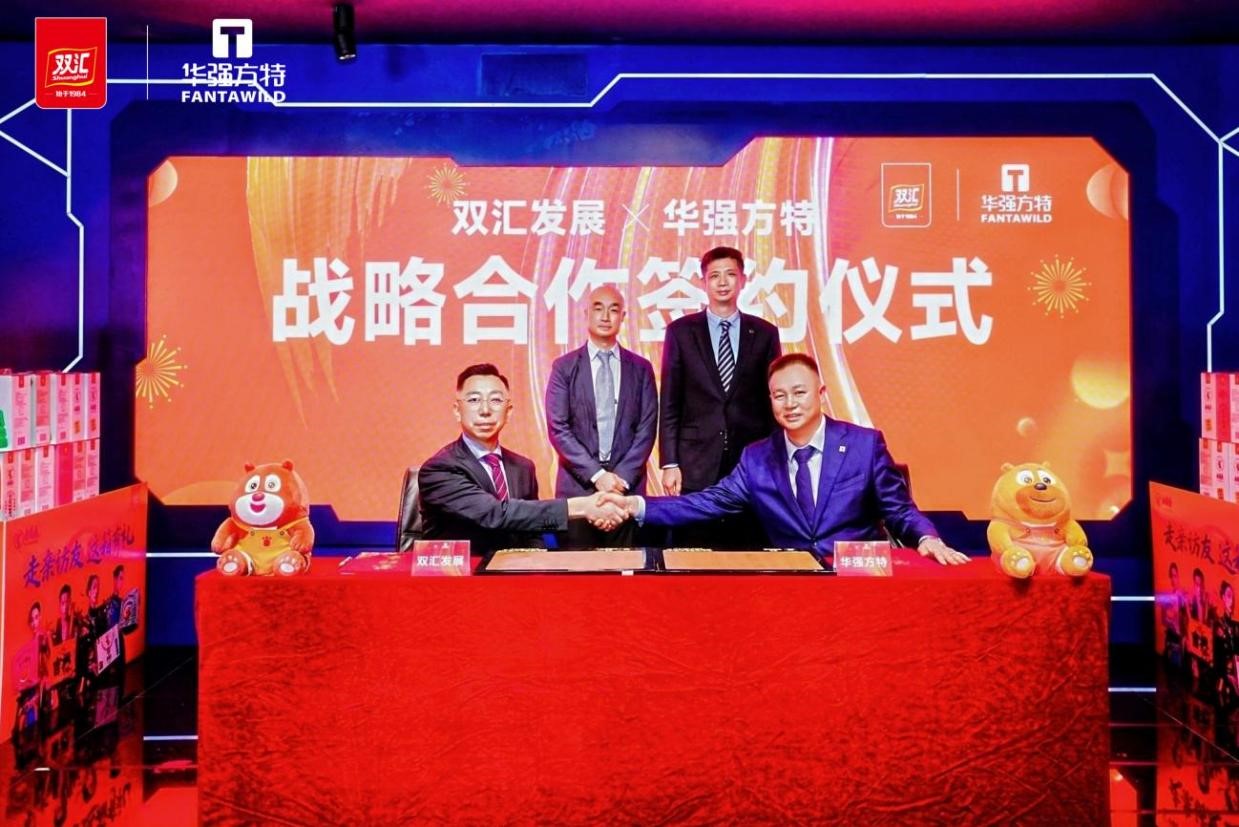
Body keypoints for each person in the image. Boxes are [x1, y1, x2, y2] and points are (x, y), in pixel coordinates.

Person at [607, 353, 968, 565]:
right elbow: (706, 503)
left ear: (821, 394)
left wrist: (926, 538)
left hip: (858, 579)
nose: (790, 404)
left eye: (799, 393)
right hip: (793, 582)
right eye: (779, 396)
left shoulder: (864, 445)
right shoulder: (758, 458)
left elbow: (898, 509)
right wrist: (634, 505)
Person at [418, 363, 625, 558]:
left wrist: (544, 562)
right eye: (474, 400)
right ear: (457, 410)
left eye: (495, 400)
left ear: (508, 411)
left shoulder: (523, 467)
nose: (485, 411)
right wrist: (582, 507)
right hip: (461, 576)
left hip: (515, 573)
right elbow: (495, 514)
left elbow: (534, 529)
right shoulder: (439, 469)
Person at [658, 246, 782, 548]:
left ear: (743, 280)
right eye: (714, 276)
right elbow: (670, 402)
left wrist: (776, 457)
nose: (722, 282)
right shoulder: (681, 332)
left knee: (748, 545)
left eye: (730, 275)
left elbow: (773, 401)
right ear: (704, 282)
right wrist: (670, 462)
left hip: (750, 458)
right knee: (695, 546)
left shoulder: (764, 333)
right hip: (695, 460)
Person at [546, 285, 658, 548]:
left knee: (626, 569)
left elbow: (646, 429)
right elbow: (558, 428)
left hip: (626, 490)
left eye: (614, 309)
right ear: (586, 314)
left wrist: (619, 480)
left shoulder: (641, 368)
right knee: (576, 569)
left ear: (623, 317)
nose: (606, 316)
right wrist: (597, 476)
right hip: (578, 489)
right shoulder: (564, 367)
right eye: (598, 308)